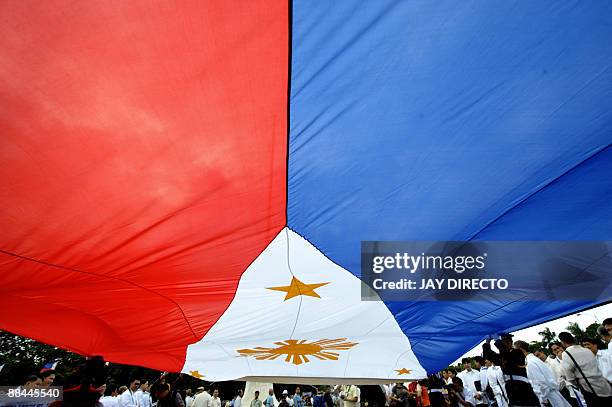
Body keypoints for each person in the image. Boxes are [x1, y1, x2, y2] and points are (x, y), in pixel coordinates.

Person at [482, 333, 540, 406]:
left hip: (522, 387)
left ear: (510, 342)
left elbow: (507, 356)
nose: (505, 344)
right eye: (503, 342)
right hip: (511, 389)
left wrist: (497, 341)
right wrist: (487, 343)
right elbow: (488, 356)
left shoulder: (518, 352)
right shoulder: (502, 356)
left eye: (507, 341)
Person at [559, 331, 612, 407]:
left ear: (563, 342)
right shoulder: (585, 349)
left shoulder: (566, 354)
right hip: (602, 384)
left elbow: (569, 376)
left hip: (589, 389)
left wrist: (576, 383)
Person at [514, 340, 570, 407]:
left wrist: (543, 400)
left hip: (549, 398)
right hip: (552, 395)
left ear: (520, 349)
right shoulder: (534, 359)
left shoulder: (530, 362)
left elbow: (541, 383)